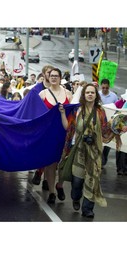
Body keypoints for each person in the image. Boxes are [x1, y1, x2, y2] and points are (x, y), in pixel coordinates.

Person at [58, 83, 123, 218]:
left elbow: (105, 131)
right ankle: (76, 197)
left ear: (96, 95)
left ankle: (87, 209)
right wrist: (63, 114)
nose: (90, 94)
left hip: (94, 152)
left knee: (91, 180)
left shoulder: (100, 112)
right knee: (77, 182)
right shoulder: (77, 111)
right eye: (87, 92)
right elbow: (69, 129)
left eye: (92, 92)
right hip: (79, 151)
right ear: (83, 95)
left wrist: (117, 128)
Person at [39, 67, 73, 204]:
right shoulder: (42, 94)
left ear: (60, 78)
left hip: (65, 132)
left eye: (56, 76)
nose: (53, 78)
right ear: (48, 77)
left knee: (63, 162)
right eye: (51, 76)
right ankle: (52, 192)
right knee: (50, 163)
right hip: (49, 133)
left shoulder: (68, 94)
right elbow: (37, 113)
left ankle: (60, 184)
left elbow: (73, 114)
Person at [98, 78, 118, 168]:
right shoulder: (97, 94)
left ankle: (104, 157)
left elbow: (117, 109)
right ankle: (100, 160)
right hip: (99, 121)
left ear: (109, 87)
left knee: (108, 142)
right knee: (99, 141)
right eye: (103, 88)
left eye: (106, 88)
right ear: (101, 87)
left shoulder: (113, 96)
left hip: (109, 123)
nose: (105, 89)